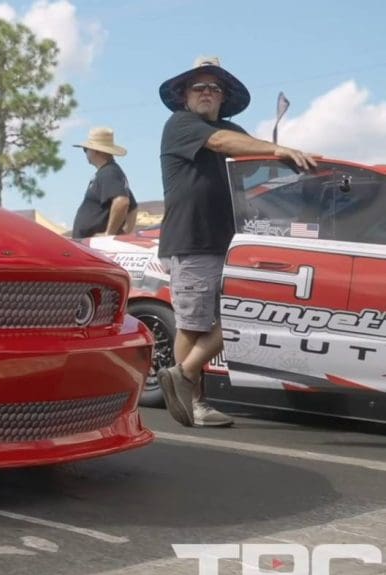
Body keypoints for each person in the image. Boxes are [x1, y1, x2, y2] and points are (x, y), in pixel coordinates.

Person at [156, 56, 318, 427]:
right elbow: (223, 141)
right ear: (184, 95)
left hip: (233, 242)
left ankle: (183, 375)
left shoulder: (234, 131)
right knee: (194, 326)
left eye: (215, 88)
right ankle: (193, 402)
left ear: (223, 97)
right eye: (200, 87)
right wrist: (276, 150)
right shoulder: (182, 124)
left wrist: (289, 162)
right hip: (193, 240)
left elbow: (251, 151)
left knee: (246, 312)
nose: (208, 92)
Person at [71, 127, 138, 238]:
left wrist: (109, 234)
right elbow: (133, 207)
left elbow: (122, 202)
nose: (85, 153)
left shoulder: (109, 172)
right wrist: (125, 234)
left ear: (96, 150)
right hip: (93, 244)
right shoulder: (110, 172)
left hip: (95, 246)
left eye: (86, 149)